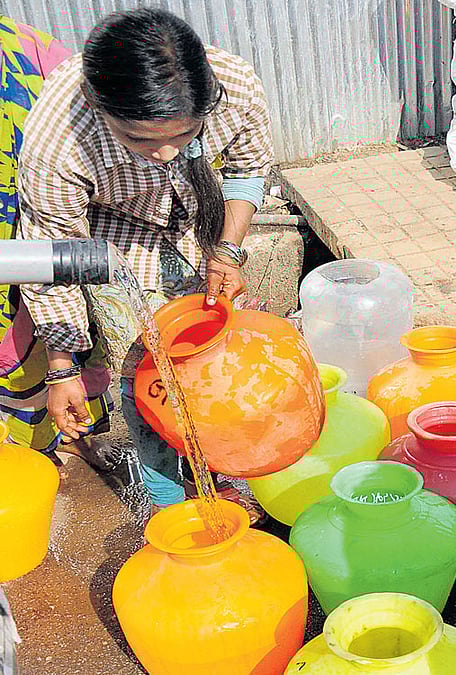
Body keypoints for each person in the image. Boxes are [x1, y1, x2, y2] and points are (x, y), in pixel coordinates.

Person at [16, 8, 274, 522]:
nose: (165, 154)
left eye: (184, 136)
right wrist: (62, 370)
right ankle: (166, 502)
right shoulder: (60, 139)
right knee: (144, 370)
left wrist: (226, 250)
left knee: (211, 353)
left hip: (198, 216)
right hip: (111, 235)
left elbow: (249, 167)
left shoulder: (236, 85)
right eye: (140, 140)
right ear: (98, 106)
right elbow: (53, 258)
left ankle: (221, 466)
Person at [0, 16, 118, 478]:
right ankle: (24, 463)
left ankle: (71, 440)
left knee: (62, 340)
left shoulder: (30, 53)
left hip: (43, 235)